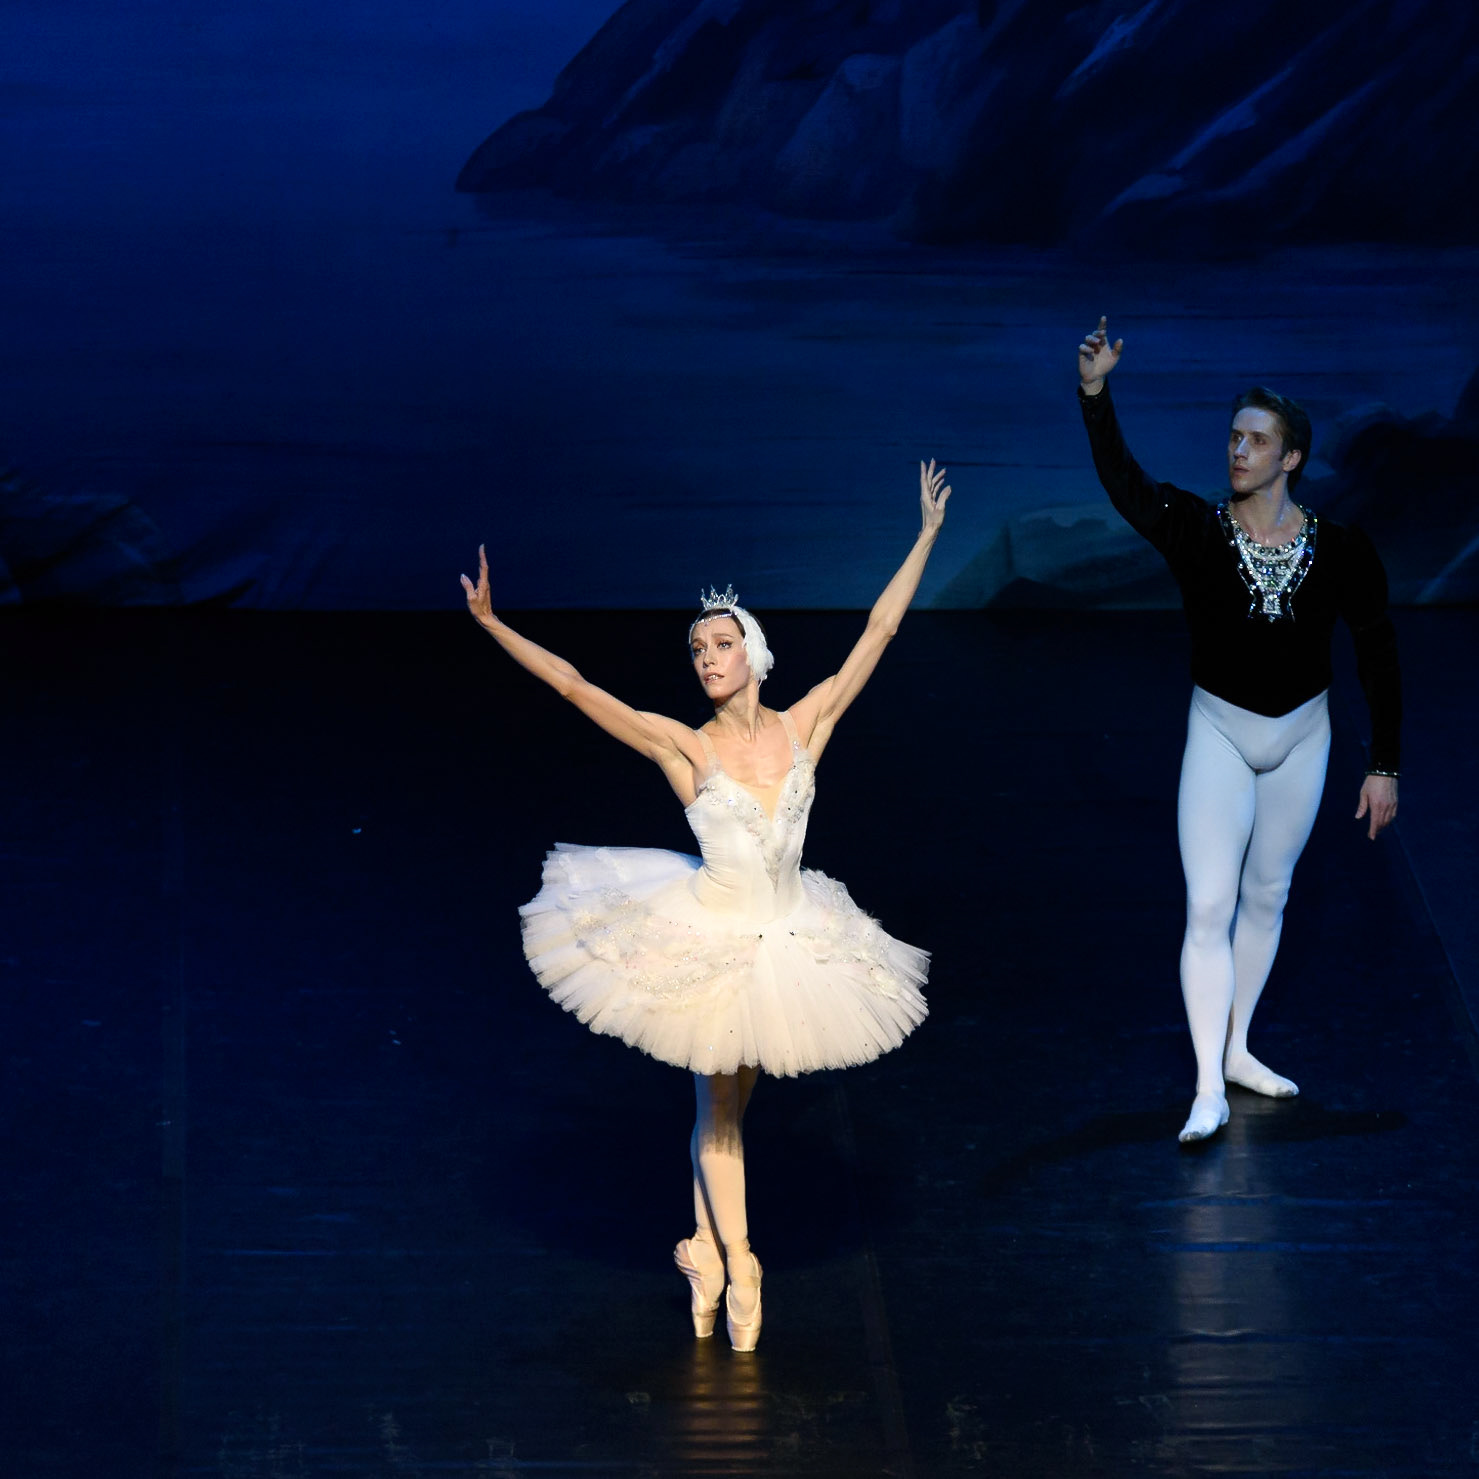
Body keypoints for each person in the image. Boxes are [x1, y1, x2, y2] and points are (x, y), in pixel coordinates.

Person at [459, 461, 950, 1347]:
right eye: (695, 650)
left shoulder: (806, 725)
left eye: (719, 643)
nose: (705, 658)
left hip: (794, 935)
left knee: (719, 1109)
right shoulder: (685, 749)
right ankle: (742, 1262)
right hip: (712, 936)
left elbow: (877, 631)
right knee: (721, 1114)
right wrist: (496, 625)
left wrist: (922, 537)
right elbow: (576, 687)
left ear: (752, 653)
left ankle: (700, 1250)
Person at [1076, 317, 1401, 1144]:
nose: (1237, 451)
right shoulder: (1193, 530)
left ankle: (1236, 1048)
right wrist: (1094, 391)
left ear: (1290, 456)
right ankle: (1203, 1090)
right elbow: (1122, 480)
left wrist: (1383, 765)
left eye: (1255, 441)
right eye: (1232, 437)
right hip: (1219, 732)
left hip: (1303, 737)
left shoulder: (1341, 549)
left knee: (1268, 894)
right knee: (1209, 901)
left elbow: (1377, 655)